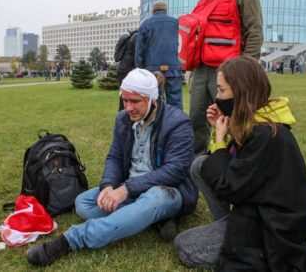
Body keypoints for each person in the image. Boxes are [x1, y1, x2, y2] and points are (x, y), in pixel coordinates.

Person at [27, 68, 198, 267]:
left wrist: (126, 189)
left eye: (135, 101)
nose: (128, 107)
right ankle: (149, 217)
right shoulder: (123, 119)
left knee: (155, 198)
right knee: (83, 203)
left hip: (168, 190)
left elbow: (175, 171)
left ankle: (71, 240)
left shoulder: (178, 123)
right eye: (125, 100)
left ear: (152, 98)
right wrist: (108, 186)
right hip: (131, 188)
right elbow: (115, 157)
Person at [174, 56, 306, 271]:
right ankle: (227, 223)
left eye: (222, 90)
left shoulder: (265, 135)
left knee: (186, 247)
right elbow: (231, 171)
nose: (217, 97)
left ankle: (232, 230)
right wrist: (220, 130)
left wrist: (221, 141)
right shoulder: (259, 121)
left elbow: (228, 187)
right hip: (253, 207)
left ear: (241, 92)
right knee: (200, 165)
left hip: (269, 226)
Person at [189, 0, 263, 154]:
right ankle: (198, 161)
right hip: (201, 69)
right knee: (197, 118)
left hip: (228, 72)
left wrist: (246, 69)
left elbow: (254, 32)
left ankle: (235, 158)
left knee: (230, 117)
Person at [135, 1, 183, 110]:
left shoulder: (146, 24)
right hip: (173, 68)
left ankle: (156, 125)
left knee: (153, 100)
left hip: (152, 69)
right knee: (175, 101)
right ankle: (176, 124)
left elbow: (139, 50)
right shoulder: (176, 23)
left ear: (153, 10)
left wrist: (140, 68)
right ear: (166, 10)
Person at [114, 30, 138, 110]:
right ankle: (124, 113)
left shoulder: (128, 38)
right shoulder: (136, 37)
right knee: (130, 94)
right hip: (129, 70)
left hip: (122, 69)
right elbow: (137, 55)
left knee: (123, 93)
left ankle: (121, 112)